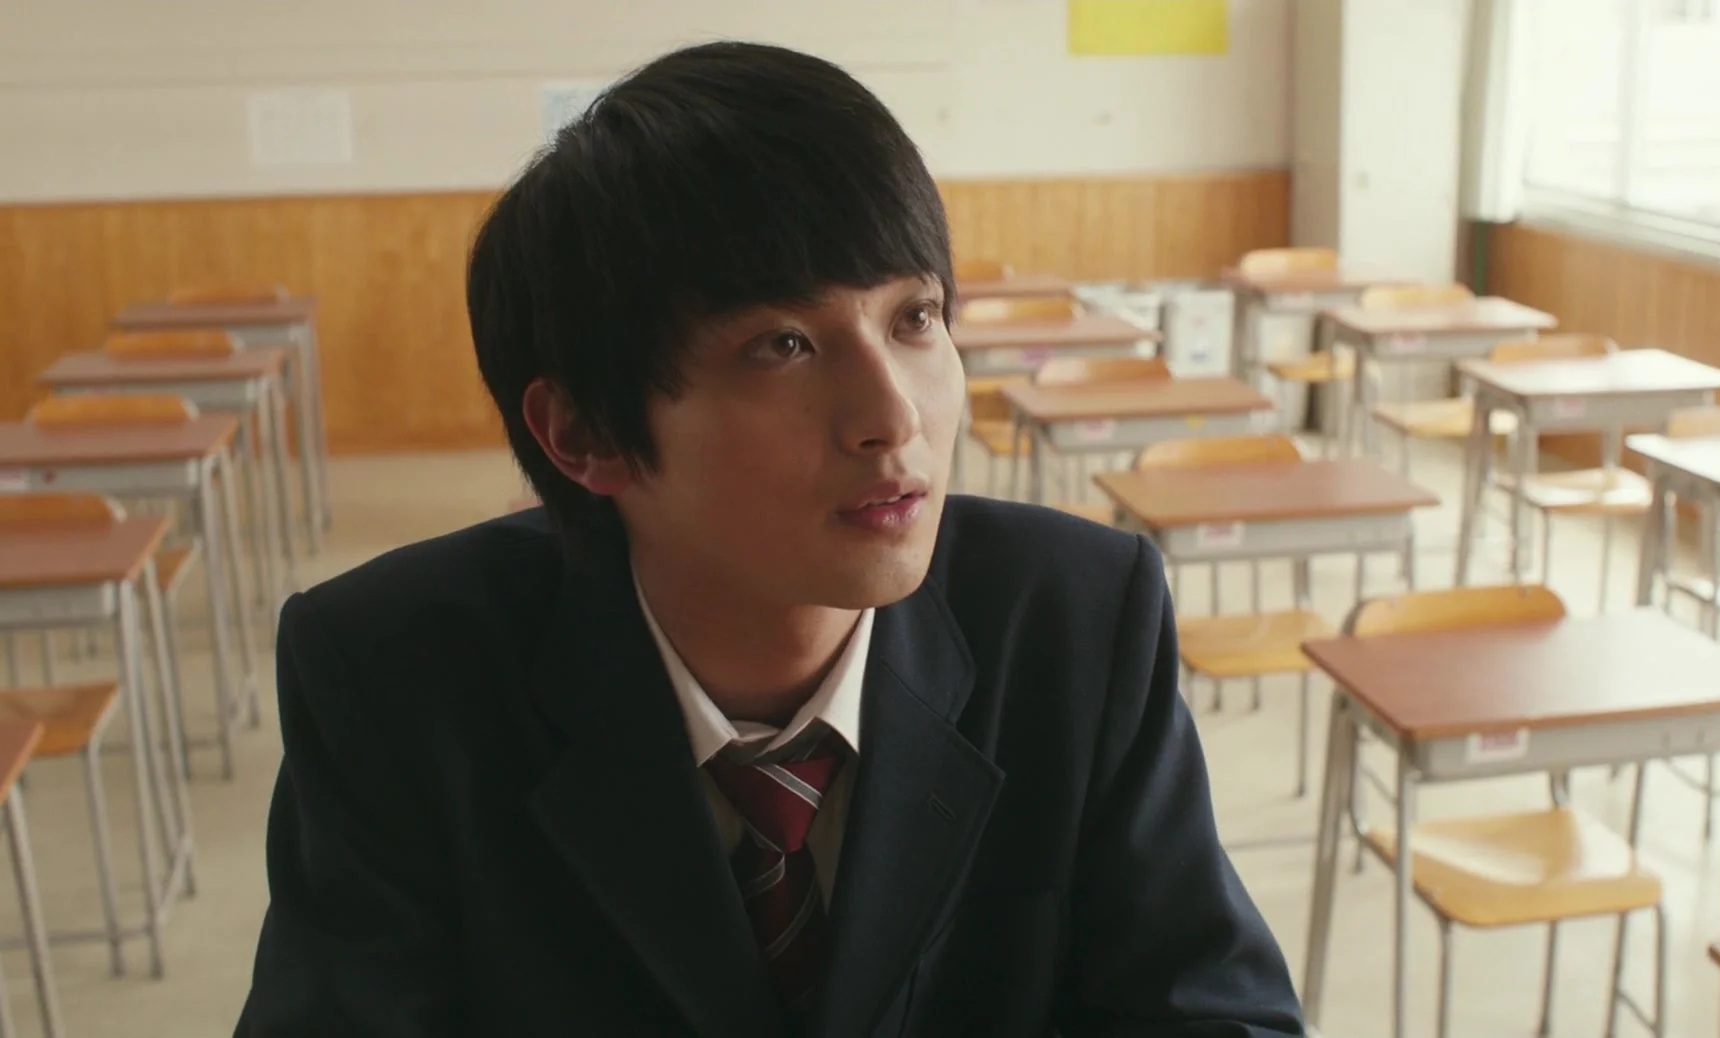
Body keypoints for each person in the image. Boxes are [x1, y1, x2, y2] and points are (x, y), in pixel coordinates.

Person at [236, 40, 1305, 1038]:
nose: (893, 416)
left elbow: (1215, 1011)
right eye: (784, 345)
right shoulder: (393, 678)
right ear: (586, 433)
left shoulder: (1076, 618)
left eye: (914, 318)